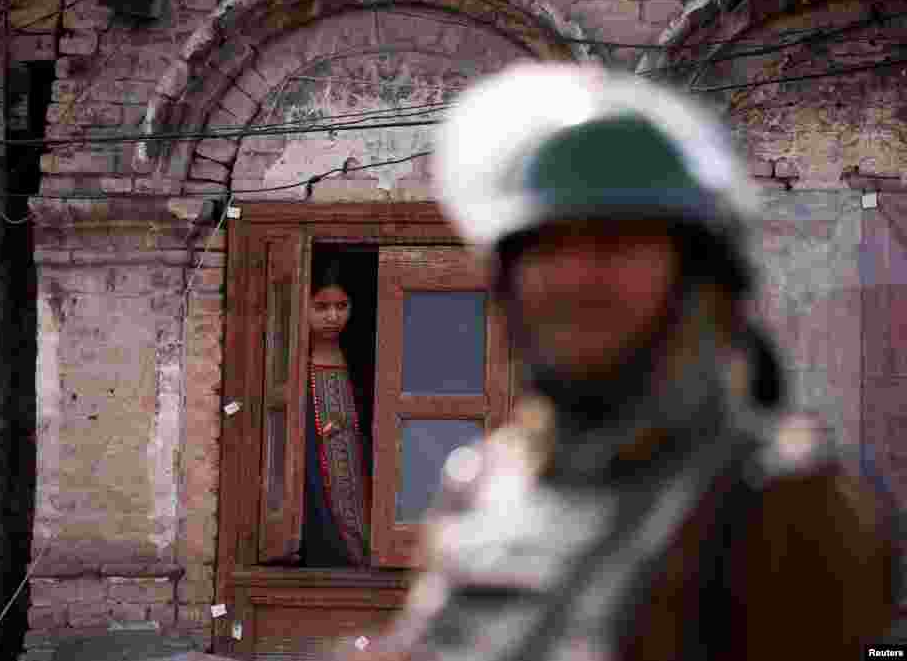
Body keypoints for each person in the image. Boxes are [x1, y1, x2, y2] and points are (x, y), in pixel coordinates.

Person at [375, 64, 897, 660]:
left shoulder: (780, 499)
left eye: (614, 243)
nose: (576, 277)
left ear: (697, 281)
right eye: (548, 246)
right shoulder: (482, 484)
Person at [301, 258, 371, 568]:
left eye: (341, 306)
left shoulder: (364, 357)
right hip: (315, 470)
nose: (333, 316)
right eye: (321, 307)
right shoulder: (291, 360)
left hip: (357, 464)